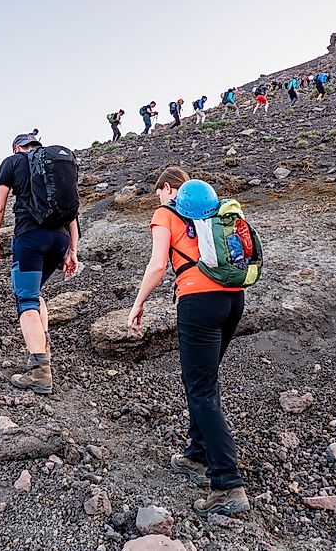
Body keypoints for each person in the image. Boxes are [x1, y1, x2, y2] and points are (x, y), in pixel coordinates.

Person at [128, 168, 250, 517]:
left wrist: (138, 304)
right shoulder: (213, 210)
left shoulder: (166, 213)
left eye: (159, 193)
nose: (159, 199)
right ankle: (197, 455)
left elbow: (157, 265)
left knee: (200, 390)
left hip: (198, 303)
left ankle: (227, 483)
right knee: (205, 383)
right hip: (233, 299)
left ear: (167, 188)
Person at [0, 132, 80, 393]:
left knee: (25, 298)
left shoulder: (13, 162)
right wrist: (73, 249)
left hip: (30, 237)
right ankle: (42, 345)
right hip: (61, 238)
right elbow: (72, 210)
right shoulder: (55, 165)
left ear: (18, 147)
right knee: (36, 291)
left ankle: (40, 372)